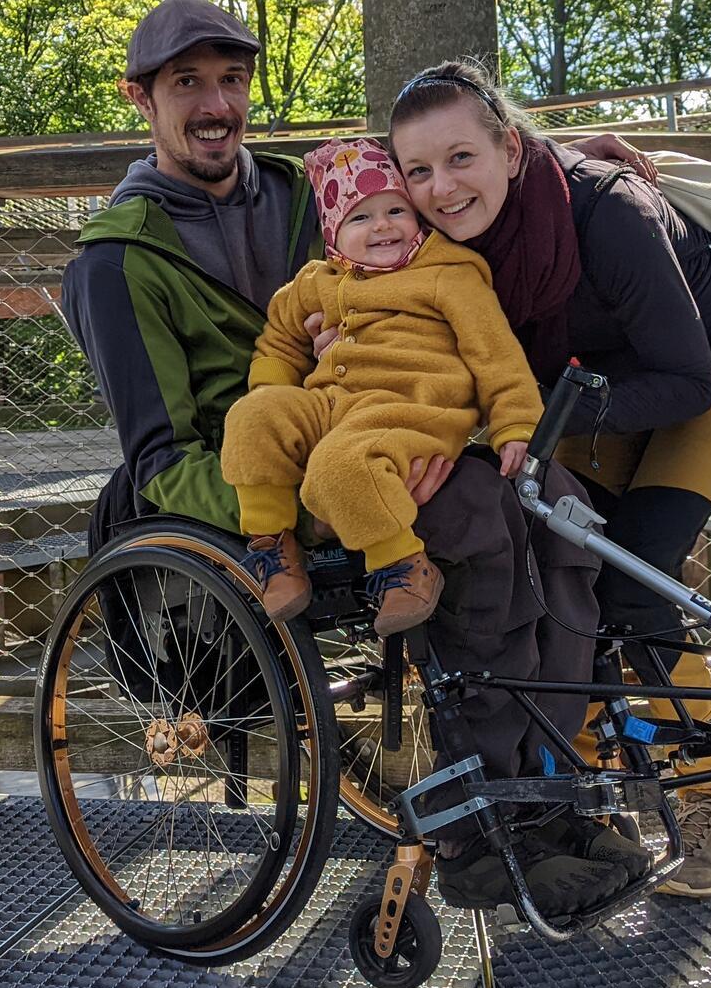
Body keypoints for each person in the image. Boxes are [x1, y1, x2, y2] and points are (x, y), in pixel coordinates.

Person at [60, 0, 643, 916]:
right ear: (141, 98)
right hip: (275, 477)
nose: (217, 104)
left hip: (387, 423)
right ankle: (476, 831)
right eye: (187, 84)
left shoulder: (305, 195)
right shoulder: (114, 262)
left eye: (232, 79)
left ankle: (550, 776)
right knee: (474, 523)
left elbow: (442, 157)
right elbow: (161, 462)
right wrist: (317, 488)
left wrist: (567, 157)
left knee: (550, 502)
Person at [388, 60, 711, 899]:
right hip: (593, 385)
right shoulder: (443, 245)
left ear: (508, 146)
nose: (440, 188)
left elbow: (686, 382)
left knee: (637, 583)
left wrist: (539, 420)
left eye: (461, 159)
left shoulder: (609, 211)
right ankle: (599, 794)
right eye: (417, 170)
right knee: (566, 564)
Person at [222, 138, 544, 637]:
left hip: (412, 408)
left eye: (396, 209)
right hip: (333, 406)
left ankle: (403, 565)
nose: (383, 226)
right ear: (333, 233)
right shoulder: (317, 281)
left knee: (340, 467)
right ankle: (272, 546)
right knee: (250, 418)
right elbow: (280, 342)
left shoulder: (446, 276)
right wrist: (271, 391)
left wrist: (515, 423)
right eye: (361, 218)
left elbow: (495, 354)